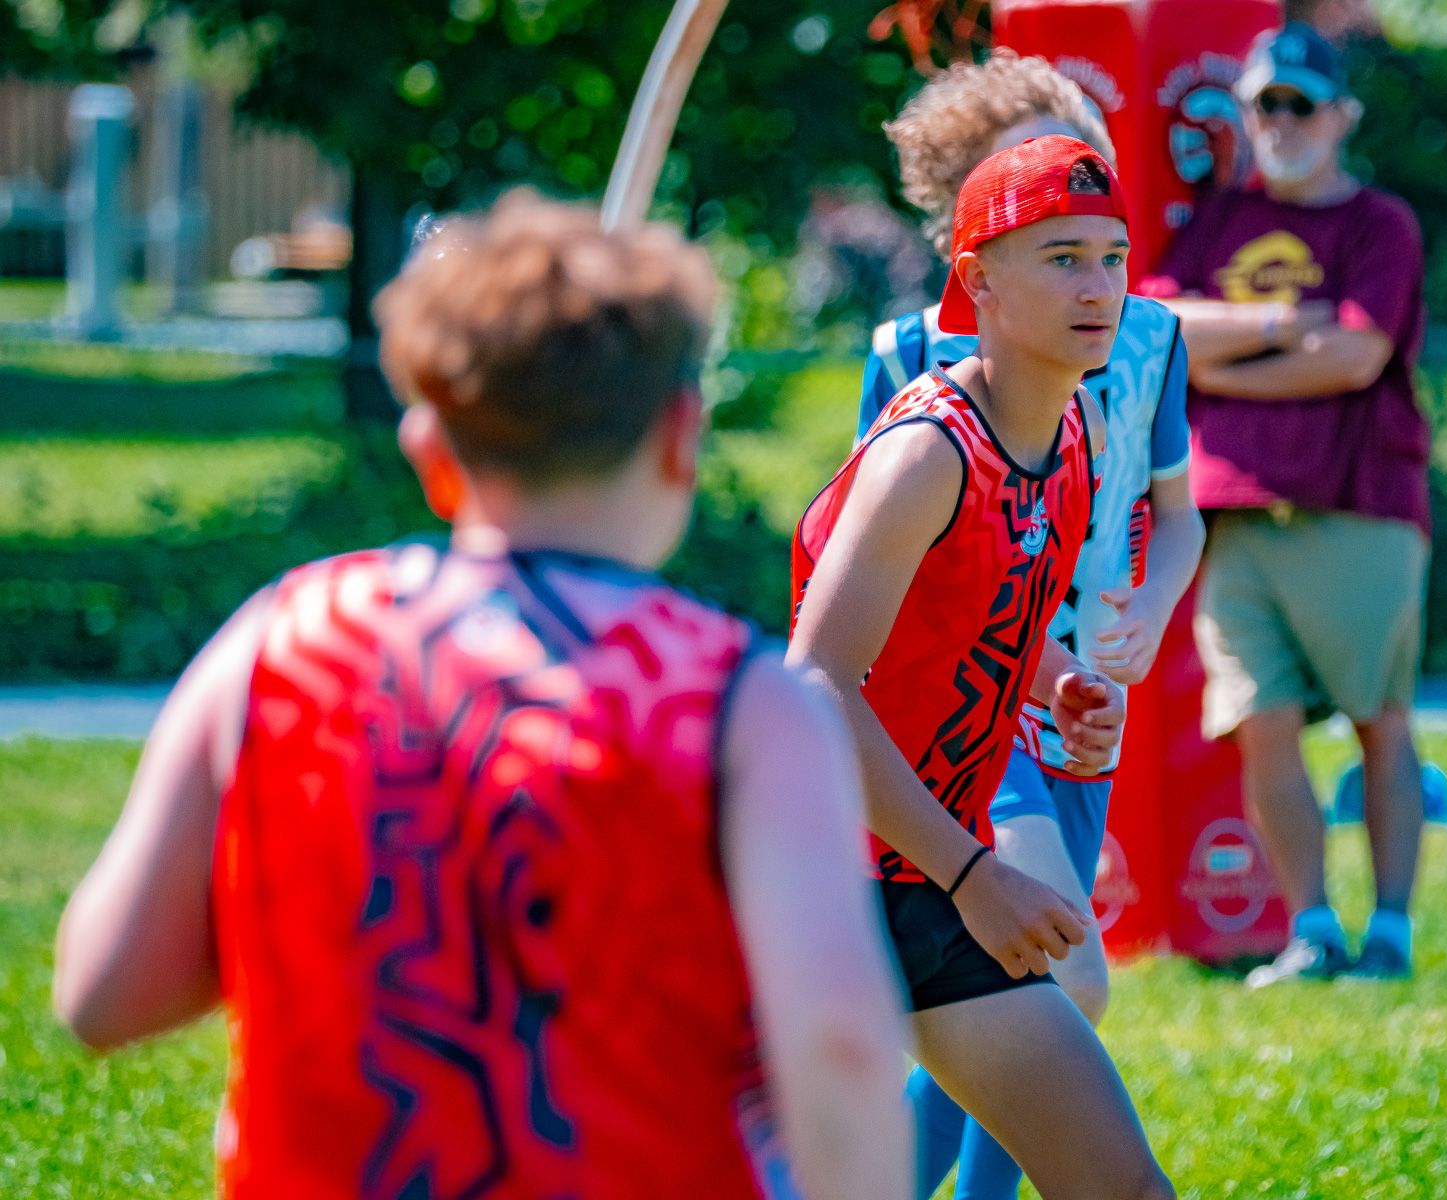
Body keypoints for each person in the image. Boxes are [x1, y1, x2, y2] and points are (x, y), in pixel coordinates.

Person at [52, 192, 912, 1200]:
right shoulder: (745, 705)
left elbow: (107, 992)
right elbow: (843, 1053)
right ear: (683, 434)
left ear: (431, 453)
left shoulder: (278, 642)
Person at [790, 135, 1175, 1200]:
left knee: (1124, 1187)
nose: (1098, 287)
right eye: (1061, 258)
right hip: (810, 885)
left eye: (1110, 256)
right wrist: (975, 875)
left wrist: (1061, 687)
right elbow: (816, 687)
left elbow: (971, 624)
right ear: (978, 283)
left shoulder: (1080, 427)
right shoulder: (928, 454)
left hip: (925, 885)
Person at [1147, 24, 1431, 986]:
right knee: (1258, 723)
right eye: (1264, 103)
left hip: (1359, 506)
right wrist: (1281, 324)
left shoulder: (1380, 225)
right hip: (1234, 516)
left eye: (1300, 104)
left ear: (1342, 116)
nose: (1279, 122)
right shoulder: (1219, 220)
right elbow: (1157, 329)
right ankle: (1312, 930)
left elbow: (1357, 357)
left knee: (1377, 720)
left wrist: (1219, 373)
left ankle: (1388, 931)